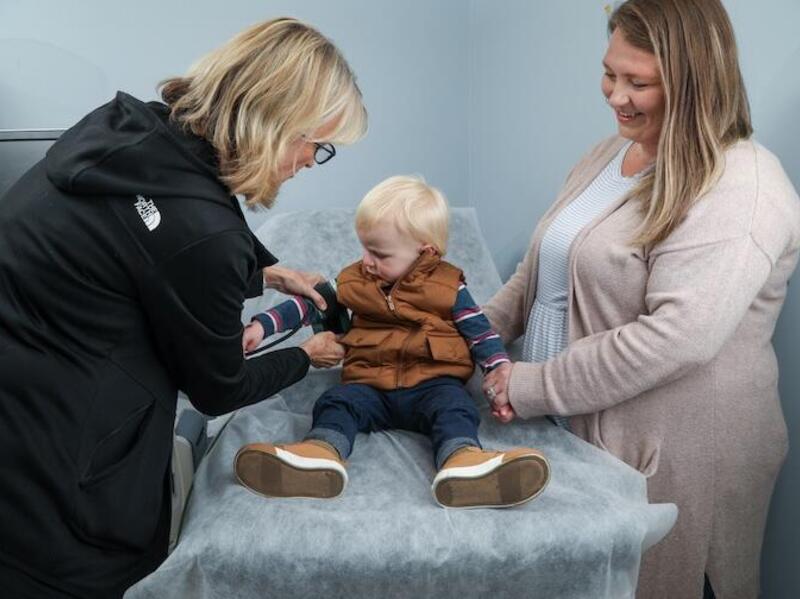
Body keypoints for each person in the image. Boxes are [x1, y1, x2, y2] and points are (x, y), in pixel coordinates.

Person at [0, 17, 367, 598]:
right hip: (60, 475)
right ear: (275, 121)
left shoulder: (128, 129)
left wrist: (263, 268)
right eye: (315, 145)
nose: (307, 162)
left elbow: (148, 232)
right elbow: (218, 388)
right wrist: (307, 355)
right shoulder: (203, 236)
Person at [480, 1, 800, 597]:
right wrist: (476, 333)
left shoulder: (741, 187)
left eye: (639, 82)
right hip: (572, 433)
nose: (615, 96)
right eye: (610, 73)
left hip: (676, 459)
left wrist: (530, 386)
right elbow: (542, 271)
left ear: (695, 81)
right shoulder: (610, 155)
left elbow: (678, 336)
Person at [235, 175, 550, 508]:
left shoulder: (448, 287)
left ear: (425, 253)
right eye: (365, 248)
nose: (367, 261)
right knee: (337, 403)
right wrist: (262, 327)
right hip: (370, 385)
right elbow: (310, 302)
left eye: (380, 254)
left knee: (456, 409)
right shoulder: (356, 279)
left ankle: (464, 464)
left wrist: (498, 369)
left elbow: (481, 333)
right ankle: (320, 454)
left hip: (433, 383)